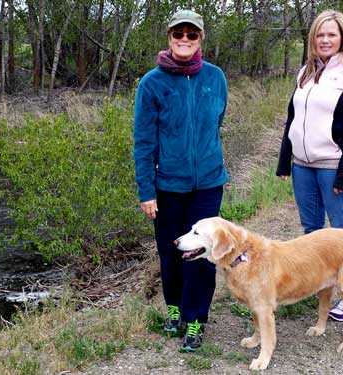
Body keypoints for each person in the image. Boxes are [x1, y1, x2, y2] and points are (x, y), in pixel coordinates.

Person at [133, 9, 228, 352]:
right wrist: (147, 190)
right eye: (178, 34)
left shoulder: (216, 77)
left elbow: (217, 122)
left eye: (192, 35)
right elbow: (143, 143)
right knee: (171, 253)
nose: (184, 40)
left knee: (203, 253)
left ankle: (196, 320)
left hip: (208, 185)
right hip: (167, 188)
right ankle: (174, 308)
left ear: (201, 38)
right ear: (169, 37)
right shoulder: (152, 83)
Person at [276, 9, 343, 322]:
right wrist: (285, 159)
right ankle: (323, 291)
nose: (325, 40)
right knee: (312, 234)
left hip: (336, 164)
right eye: (320, 34)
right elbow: (294, 117)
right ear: (312, 39)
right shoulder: (306, 71)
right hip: (304, 165)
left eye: (332, 34)